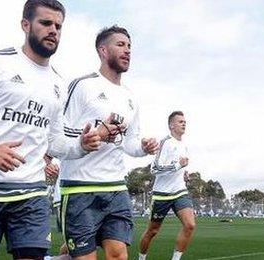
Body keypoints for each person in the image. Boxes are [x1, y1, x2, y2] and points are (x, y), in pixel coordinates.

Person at [0, 1, 120, 259]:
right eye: (45, 23)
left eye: (58, 26)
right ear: (26, 25)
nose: (53, 30)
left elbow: (54, 141)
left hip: (31, 193)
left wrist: (81, 145)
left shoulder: (58, 83)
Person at [60, 25, 159, 260]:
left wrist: (143, 148)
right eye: (120, 45)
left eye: (129, 46)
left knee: (119, 255)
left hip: (115, 187)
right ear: (103, 50)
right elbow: (59, 134)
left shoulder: (130, 98)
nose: (127, 51)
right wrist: (95, 135)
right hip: (80, 187)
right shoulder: (83, 85)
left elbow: (129, 143)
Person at [139, 111, 195, 260]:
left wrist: (184, 174)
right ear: (171, 125)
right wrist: (177, 165)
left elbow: (181, 167)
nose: (184, 123)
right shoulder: (165, 142)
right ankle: (141, 258)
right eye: (180, 121)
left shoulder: (184, 145)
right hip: (161, 194)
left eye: (185, 121)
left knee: (190, 225)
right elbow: (154, 169)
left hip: (179, 191)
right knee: (152, 231)